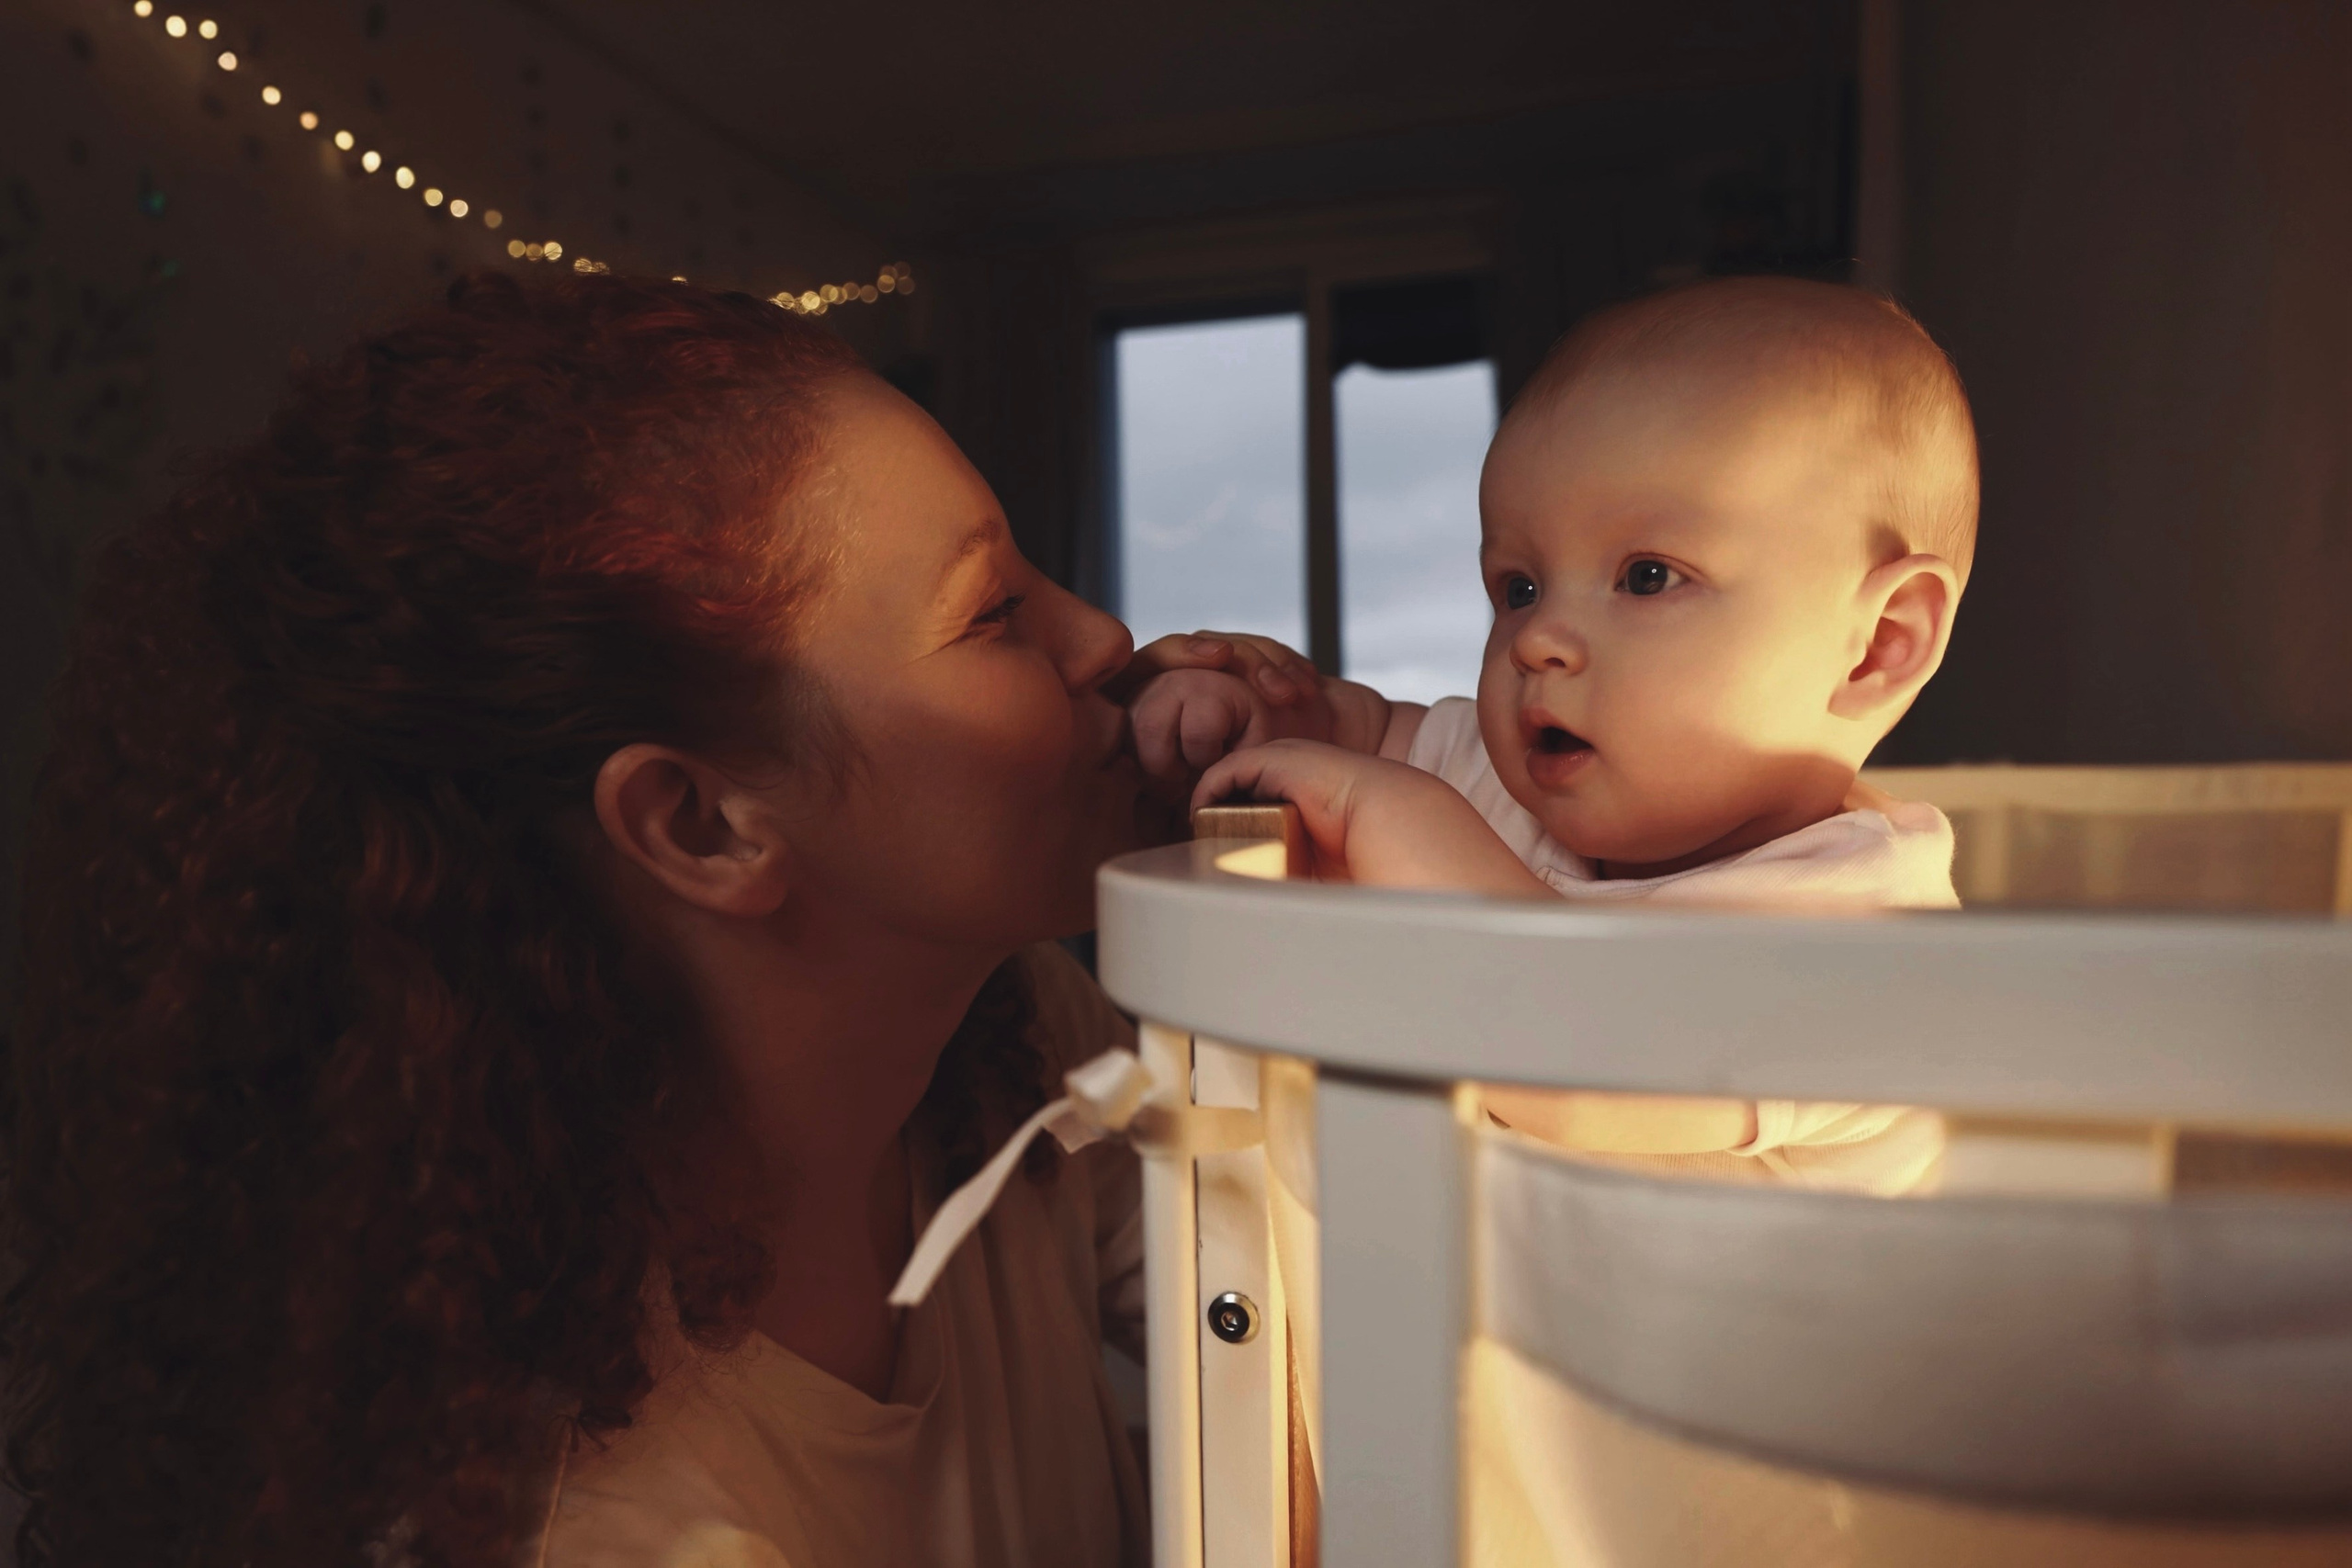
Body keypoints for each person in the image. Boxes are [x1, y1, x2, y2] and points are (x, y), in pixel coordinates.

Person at [0, 271, 1300, 1568]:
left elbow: (1311, 1336)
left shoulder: (1004, 1045)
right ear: (701, 824)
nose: (1105, 634)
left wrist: (1336, 839)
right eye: (993, 613)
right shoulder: (606, 1527)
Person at [1132, 276, 1979, 1192]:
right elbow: (1368, 737)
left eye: (1647, 576)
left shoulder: (1876, 941)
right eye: (1519, 588)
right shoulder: (1504, 791)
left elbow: (1584, 1060)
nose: (1536, 638)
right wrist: (1275, 713)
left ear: (1878, 645)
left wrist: (1396, 814)